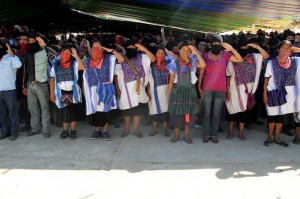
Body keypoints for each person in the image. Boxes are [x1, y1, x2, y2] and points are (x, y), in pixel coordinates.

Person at [199, 34, 243, 144]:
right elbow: (200, 72)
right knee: (207, 112)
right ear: (211, 44)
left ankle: (214, 134)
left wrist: (231, 48)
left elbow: (239, 59)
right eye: (214, 43)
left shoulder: (226, 55)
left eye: (219, 44)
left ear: (222, 44)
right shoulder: (204, 56)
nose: (216, 46)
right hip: (207, 88)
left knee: (216, 113)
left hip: (220, 89)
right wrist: (199, 87)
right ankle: (206, 134)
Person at [226, 37, 269, 140]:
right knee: (232, 110)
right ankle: (230, 131)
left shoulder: (254, 56)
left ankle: (241, 132)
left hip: (248, 90)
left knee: (244, 112)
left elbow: (266, 56)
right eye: (241, 47)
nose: (244, 49)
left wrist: (257, 46)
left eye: (246, 47)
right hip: (235, 88)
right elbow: (228, 75)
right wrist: (227, 90)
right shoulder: (233, 58)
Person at [83, 41, 124, 141]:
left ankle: (105, 131)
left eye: (98, 47)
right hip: (92, 91)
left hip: (105, 90)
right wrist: (84, 91)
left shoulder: (109, 58)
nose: (96, 49)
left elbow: (121, 59)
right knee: (96, 111)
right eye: (94, 47)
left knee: (105, 110)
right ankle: (97, 130)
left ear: (102, 48)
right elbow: (84, 77)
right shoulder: (87, 61)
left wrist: (111, 51)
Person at [263, 41, 300, 147]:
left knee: (280, 117)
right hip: (274, 92)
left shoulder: (296, 61)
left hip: (289, 95)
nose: (285, 50)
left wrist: (298, 50)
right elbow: (266, 79)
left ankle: (277, 137)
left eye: (288, 48)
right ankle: (270, 137)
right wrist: (264, 94)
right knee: (272, 116)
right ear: (279, 49)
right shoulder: (272, 62)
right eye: (283, 48)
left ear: (291, 50)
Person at [115, 41, 155, 138]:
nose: (131, 50)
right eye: (129, 48)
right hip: (125, 90)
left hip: (138, 89)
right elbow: (116, 76)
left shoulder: (142, 57)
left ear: (136, 49)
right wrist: (117, 89)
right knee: (127, 111)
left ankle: (136, 130)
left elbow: (153, 59)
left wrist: (144, 49)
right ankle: (126, 129)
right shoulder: (121, 59)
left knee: (137, 111)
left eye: (133, 48)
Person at [167, 43, 206, 144]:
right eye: (183, 50)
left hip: (190, 92)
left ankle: (187, 136)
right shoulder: (173, 64)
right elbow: (171, 82)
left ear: (190, 52)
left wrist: (195, 52)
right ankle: (176, 135)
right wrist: (169, 96)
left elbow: (203, 64)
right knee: (176, 114)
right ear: (179, 51)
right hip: (177, 92)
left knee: (188, 115)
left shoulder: (193, 62)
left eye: (188, 51)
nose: (185, 52)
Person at [22, 32, 56, 138]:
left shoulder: (44, 52)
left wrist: (45, 45)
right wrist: (24, 85)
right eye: (30, 41)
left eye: (33, 41)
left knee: (44, 108)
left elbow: (55, 55)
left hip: (42, 84)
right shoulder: (27, 54)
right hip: (30, 84)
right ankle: (35, 128)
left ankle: (46, 129)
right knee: (32, 108)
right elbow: (25, 71)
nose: (31, 43)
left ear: (38, 41)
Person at [49, 45, 86, 139]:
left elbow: (83, 67)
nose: (65, 54)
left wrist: (76, 56)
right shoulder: (56, 65)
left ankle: (73, 131)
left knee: (73, 112)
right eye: (63, 52)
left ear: (71, 54)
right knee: (63, 112)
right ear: (60, 54)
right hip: (61, 91)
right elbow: (52, 80)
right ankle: (65, 130)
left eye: (68, 53)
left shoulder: (74, 63)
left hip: (73, 92)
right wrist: (51, 93)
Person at [148, 47, 172, 137]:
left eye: (162, 53)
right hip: (154, 90)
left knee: (166, 110)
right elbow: (149, 80)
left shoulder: (168, 64)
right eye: (158, 53)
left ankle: (165, 130)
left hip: (166, 90)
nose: (160, 55)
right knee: (153, 109)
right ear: (155, 54)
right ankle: (154, 129)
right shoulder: (151, 65)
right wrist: (148, 91)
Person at [0, 41, 22, 141]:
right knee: (2, 113)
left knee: (12, 112)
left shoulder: (10, 58)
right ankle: (5, 131)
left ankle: (14, 132)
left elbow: (18, 65)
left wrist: (12, 54)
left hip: (9, 90)